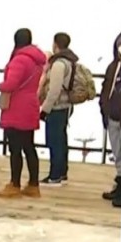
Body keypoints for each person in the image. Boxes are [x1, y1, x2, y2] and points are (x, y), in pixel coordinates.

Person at [0, 28, 47, 199]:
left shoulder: (19, 60)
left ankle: (14, 184)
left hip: (17, 108)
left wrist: (0, 86)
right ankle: (33, 185)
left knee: (15, 148)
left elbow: (11, 84)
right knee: (29, 147)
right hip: (30, 105)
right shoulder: (36, 60)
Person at [99, 27, 121, 208]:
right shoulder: (113, 67)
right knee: (117, 153)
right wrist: (104, 109)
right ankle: (119, 184)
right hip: (112, 116)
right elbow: (106, 89)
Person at [39, 32, 78, 186]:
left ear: (55, 44)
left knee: (54, 141)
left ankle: (54, 175)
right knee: (61, 140)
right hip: (66, 105)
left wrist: (45, 109)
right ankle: (62, 172)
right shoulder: (70, 61)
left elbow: (54, 90)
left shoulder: (58, 64)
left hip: (57, 107)